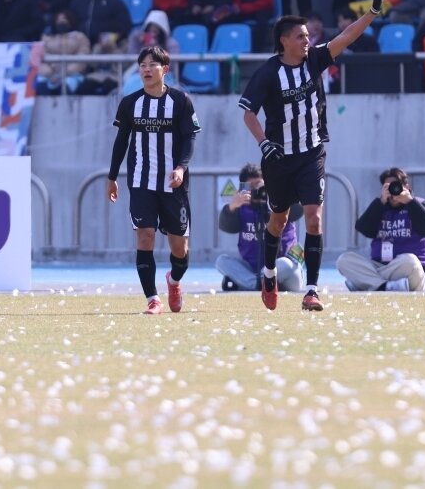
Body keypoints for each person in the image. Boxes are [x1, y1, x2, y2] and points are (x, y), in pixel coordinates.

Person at [239, 0, 392, 312]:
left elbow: (347, 36)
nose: (308, 40)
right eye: (301, 36)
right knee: (277, 221)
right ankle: (268, 274)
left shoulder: (315, 60)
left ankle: (311, 290)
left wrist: (374, 9)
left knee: (314, 219)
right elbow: (248, 113)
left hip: (312, 153)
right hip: (279, 159)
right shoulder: (267, 73)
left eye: (308, 36)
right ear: (283, 41)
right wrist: (264, 143)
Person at [107, 45, 201, 315]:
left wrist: (181, 168)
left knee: (180, 249)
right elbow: (121, 142)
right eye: (143, 65)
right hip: (140, 182)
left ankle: (174, 281)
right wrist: (112, 176)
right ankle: (152, 299)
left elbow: (190, 139)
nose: (147, 69)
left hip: (174, 184)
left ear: (165, 70)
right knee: (145, 237)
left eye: (152, 64)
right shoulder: (129, 103)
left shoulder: (181, 101)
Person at [336, 168, 425, 292]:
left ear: (406, 186)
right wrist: (380, 202)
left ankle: (367, 282)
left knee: (410, 261)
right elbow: (363, 228)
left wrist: (410, 202)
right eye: (388, 186)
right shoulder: (380, 206)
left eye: (396, 186)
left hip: (407, 269)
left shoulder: (419, 204)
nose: (393, 190)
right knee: (344, 261)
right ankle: (385, 286)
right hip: (380, 265)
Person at [216, 163, 305, 292]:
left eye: (260, 185)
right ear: (243, 189)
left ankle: (251, 283)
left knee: (283, 264)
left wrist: (276, 196)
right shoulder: (242, 208)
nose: (256, 190)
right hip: (253, 269)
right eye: (251, 187)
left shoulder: (279, 203)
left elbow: (298, 211)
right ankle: (258, 284)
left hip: (285, 270)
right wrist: (232, 207)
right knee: (222, 261)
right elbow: (227, 227)